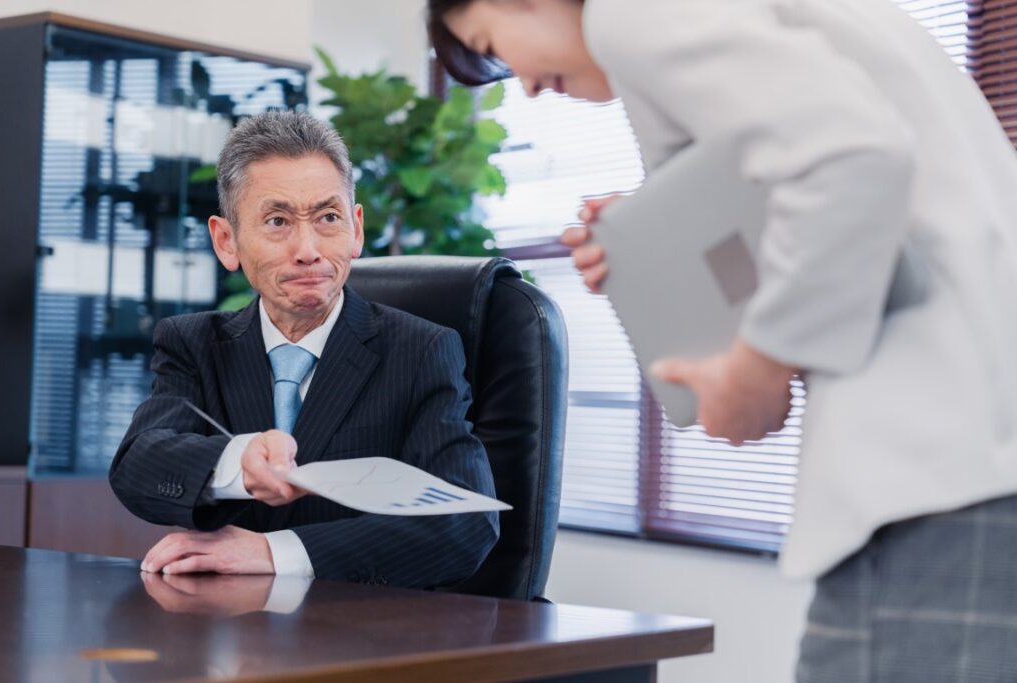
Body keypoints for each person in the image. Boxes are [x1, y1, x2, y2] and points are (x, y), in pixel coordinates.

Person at [428, 0, 1017, 680]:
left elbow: (852, 156)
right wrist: (671, 234)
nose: (524, 84)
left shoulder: (630, 15)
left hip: (945, 463)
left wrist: (758, 363)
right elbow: (844, 187)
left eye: (491, 42)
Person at [110, 111, 499, 588]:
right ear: (226, 241)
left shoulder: (422, 351)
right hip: (227, 635)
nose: (308, 249)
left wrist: (274, 552)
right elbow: (139, 465)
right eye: (277, 221)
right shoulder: (193, 344)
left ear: (356, 229)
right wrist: (238, 463)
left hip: (361, 631)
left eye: (328, 217)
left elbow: (465, 524)